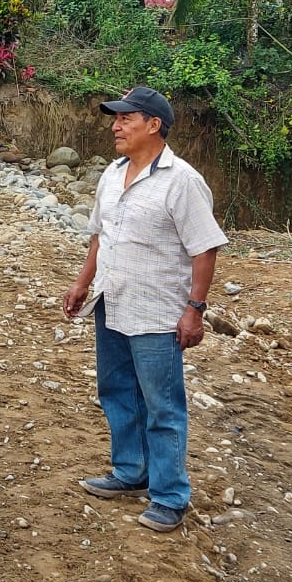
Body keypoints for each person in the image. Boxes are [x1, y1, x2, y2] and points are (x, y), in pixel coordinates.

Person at [63, 86, 227, 533]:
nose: (115, 127)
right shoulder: (112, 173)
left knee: (162, 406)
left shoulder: (182, 181)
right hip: (111, 301)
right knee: (117, 391)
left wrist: (195, 309)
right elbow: (99, 235)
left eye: (125, 119)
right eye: (115, 119)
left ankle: (170, 496)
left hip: (157, 312)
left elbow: (205, 248)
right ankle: (130, 471)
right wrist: (82, 283)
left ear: (154, 125)